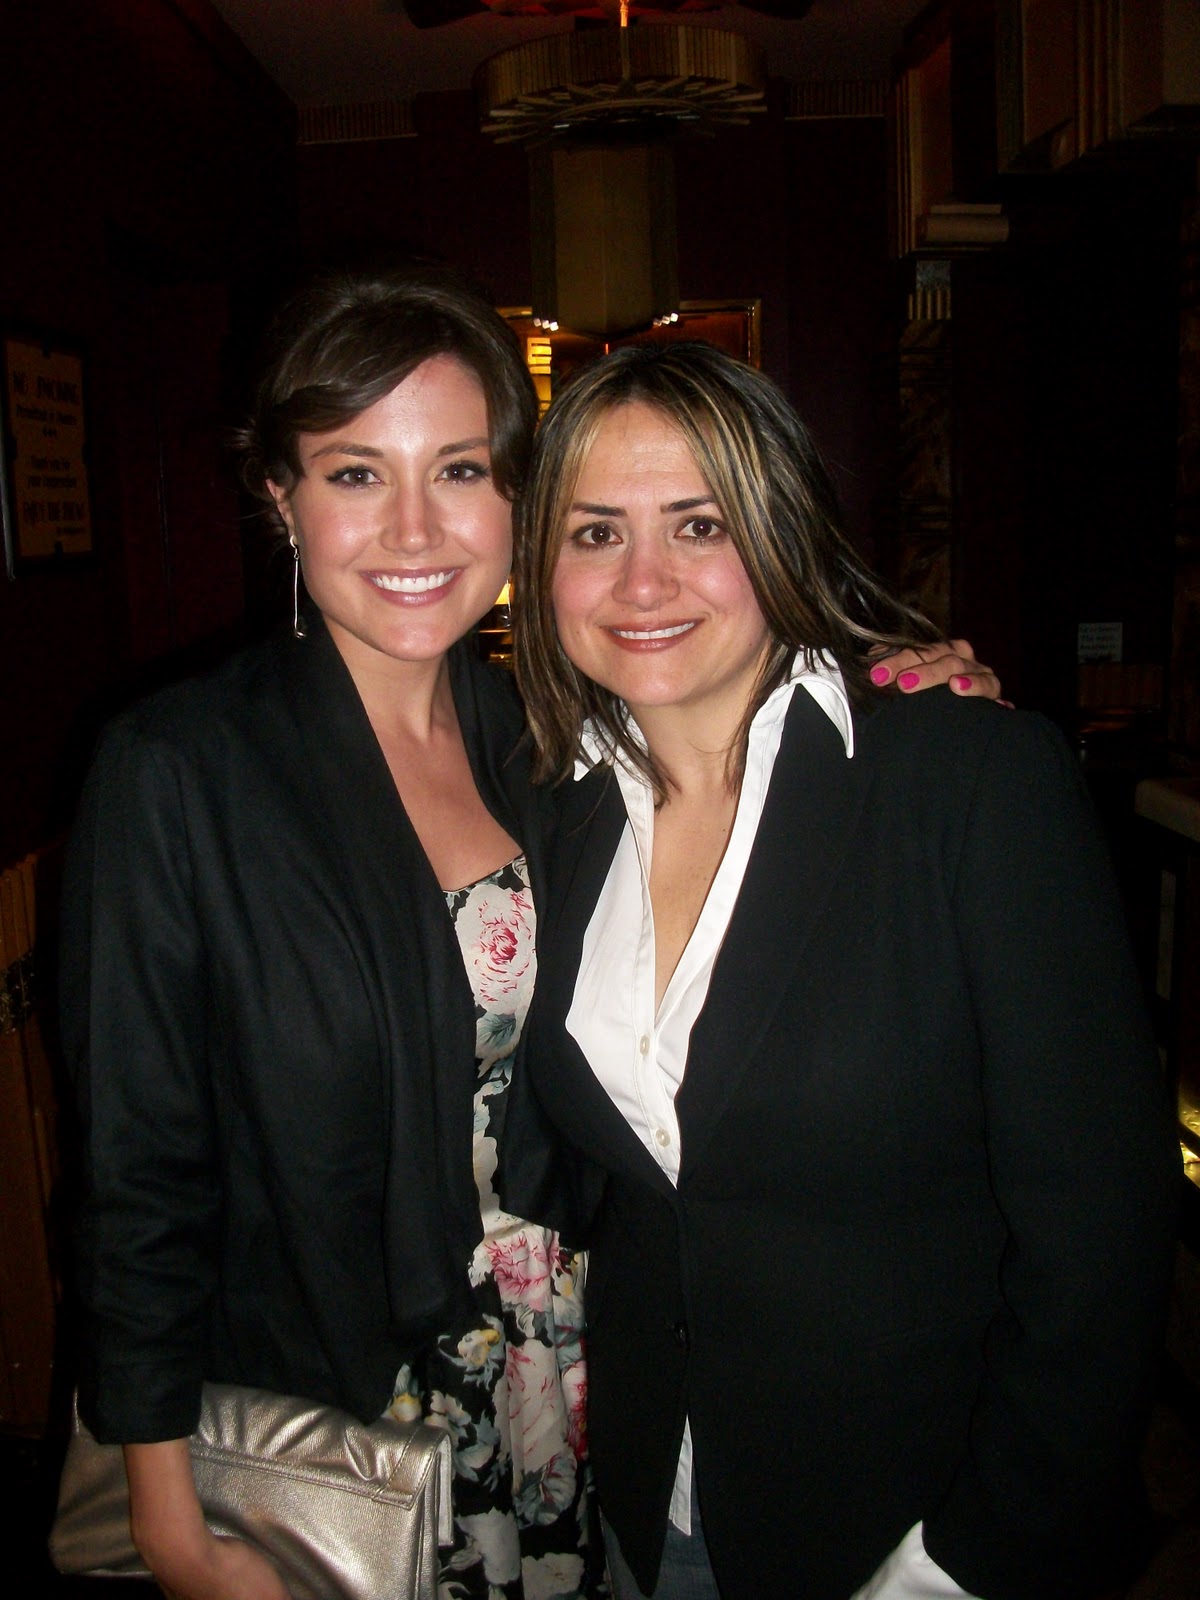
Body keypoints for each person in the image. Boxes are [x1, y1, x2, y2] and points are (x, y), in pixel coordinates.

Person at [59, 265, 999, 1600]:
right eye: (354, 473)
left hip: (557, 1367)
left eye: (459, 470)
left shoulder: (546, 741)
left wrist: (896, 692)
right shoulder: (180, 772)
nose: (414, 528)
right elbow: (135, 1174)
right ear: (278, 497)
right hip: (342, 1404)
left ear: (520, 499)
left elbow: (733, 723)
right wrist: (168, 1518)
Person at [510, 340, 1179, 1600]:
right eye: (595, 532)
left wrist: (973, 1557)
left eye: (699, 523)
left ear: (782, 533)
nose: (643, 580)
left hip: (931, 1520)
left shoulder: (965, 779)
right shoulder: (555, 808)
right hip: (655, 1503)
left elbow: (1105, 1232)